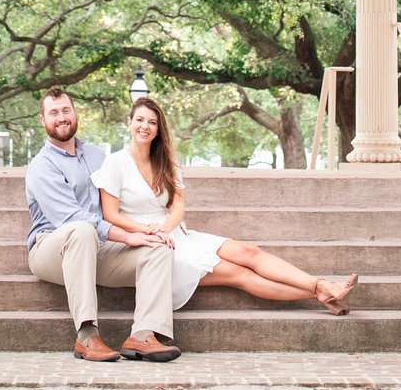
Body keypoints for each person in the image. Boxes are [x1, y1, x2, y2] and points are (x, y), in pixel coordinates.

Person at [96, 96, 358, 314]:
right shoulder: (115, 163)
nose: (145, 126)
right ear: (129, 123)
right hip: (150, 244)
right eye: (140, 120)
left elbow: (178, 207)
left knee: (249, 251)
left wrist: (164, 227)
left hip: (174, 233)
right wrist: (150, 232)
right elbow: (110, 214)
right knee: (238, 274)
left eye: (152, 122)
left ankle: (320, 286)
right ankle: (320, 291)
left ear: (158, 128)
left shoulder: (166, 162)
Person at [23, 88, 181, 362]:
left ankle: (144, 334)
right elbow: (71, 219)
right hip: (51, 251)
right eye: (54, 113)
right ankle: (87, 336)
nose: (61, 117)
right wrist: (126, 236)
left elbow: (116, 203)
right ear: (43, 120)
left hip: (97, 250)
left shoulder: (97, 156)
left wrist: (148, 230)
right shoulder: (42, 166)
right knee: (82, 231)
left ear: (75, 114)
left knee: (157, 248)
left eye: (66, 110)